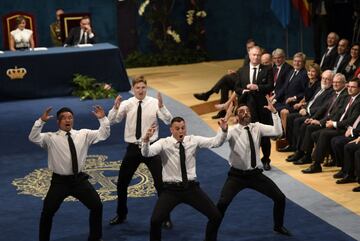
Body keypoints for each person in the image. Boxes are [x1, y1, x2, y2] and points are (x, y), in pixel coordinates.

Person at [212, 96, 291, 236]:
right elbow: (217, 143)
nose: (246, 113)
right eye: (242, 111)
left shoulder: (257, 127)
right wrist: (223, 129)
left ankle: (278, 226)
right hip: (236, 176)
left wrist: (274, 113)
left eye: (247, 111)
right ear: (237, 116)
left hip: (255, 175)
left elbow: (278, 132)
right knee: (222, 204)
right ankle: (211, 235)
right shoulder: (232, 130)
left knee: (280, 198)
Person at [28, 106, 109, 241]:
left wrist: (102, 118)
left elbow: (103, 134)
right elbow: (33, 137)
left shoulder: (84, 134)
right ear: (58, 122)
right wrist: (40, 121)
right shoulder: (50, 138)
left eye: (70, 117)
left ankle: (95, 238)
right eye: (64, 118)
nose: (68, 120)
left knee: (97, 206)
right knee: (47, 212)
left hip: (79, 181)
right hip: (60, 182)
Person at [141, 116, 228, 241]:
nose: (181, 131)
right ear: (171, 129)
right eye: (177, 129)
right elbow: (146, 153)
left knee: (216, 216)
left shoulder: (193, 140)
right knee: (155, 221)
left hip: (191, 189)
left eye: (183, 128)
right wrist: (146, 140)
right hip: (171, 191)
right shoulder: (163, 143)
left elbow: (215, 142)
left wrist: (223, 131)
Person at [108, 76, 173, 228]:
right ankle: (121, 215)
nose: (141, 90)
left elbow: (168, 120)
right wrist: (115, 108)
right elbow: (113, 120)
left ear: (146, 88)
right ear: (133, 89)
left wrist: (162, 107)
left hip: (152, 147)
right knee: (122, 183)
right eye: (138, 88)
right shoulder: (127, 103)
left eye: (143, 87)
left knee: (160, 184)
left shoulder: (154, 102)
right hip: (133, 148)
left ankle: (165, 217)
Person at [192, 39, 256, 119]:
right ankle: (221, 111)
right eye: (248, 48)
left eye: (251, 47)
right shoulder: (248, 56)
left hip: (249, 83)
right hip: (242, 79)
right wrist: (235, 72)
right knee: (225, 84)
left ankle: (208, 94)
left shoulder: (256, 57)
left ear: (255, 47)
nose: (249, 50)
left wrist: (237, 74)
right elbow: (244, 70)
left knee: (226, 78)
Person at [235, 45, 274, 170]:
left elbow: (270, 86)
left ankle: (266, 159)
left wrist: (257, 87)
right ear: (249, 55)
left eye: (258, 55)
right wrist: (244, 91)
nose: (256, 57)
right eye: (254, 54)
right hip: (248, 108)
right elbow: (237, 88)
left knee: (264, 136)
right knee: (250, 135)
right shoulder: (242, 70)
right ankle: (253, 159)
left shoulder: (267, 69)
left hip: (263, 108)